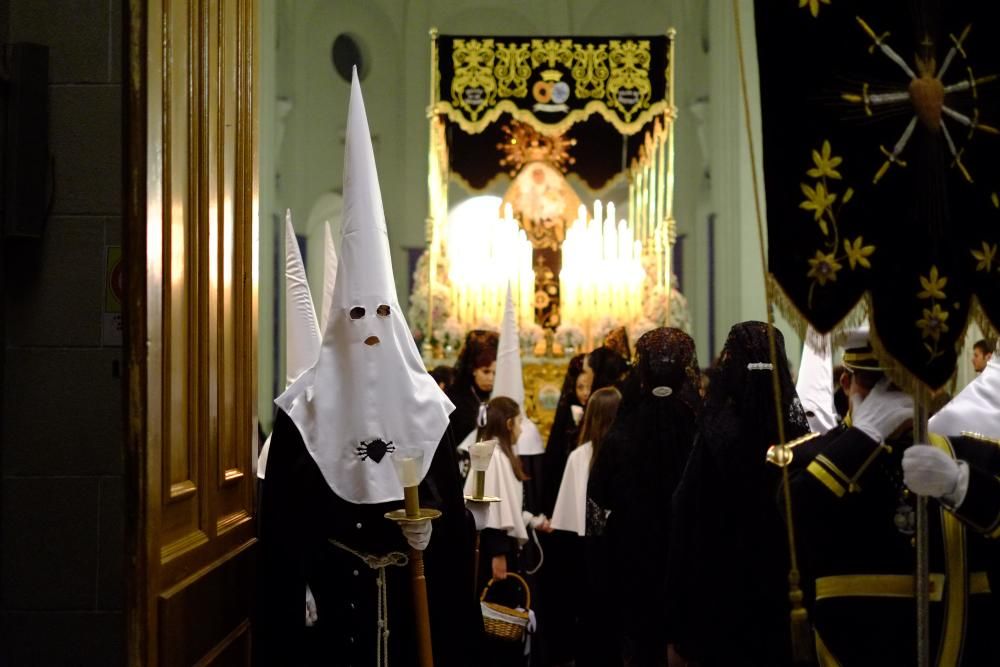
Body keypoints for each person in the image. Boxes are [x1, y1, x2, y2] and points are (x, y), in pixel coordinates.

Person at [256, 71, 478, 667]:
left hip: (413, 611)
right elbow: (280, 530)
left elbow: (453, 520)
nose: (371, 328)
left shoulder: (431, 412)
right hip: (332, 616)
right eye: (357, 314)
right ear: (336, 323)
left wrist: (433, 535)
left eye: (383, 312)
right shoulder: (302, 414)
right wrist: (302, 581)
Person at [787, 331, 1000, 664]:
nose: (888, 401)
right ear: (846, 383)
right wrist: (862, 439)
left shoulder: (969, 456)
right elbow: (784, 526)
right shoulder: (808, 458)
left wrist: (961, 485)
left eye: (902, 386)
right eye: (872, 387)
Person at [668, 321, 809, 667]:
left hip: (720, 594)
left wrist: (677, 620)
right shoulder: (796, 436)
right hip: (780, 596)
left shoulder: (715, 434)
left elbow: (685, 513)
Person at [587, 328, 700, 666]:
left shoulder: (623, 431)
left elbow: (596, 505)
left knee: (640, 645)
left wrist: (600, 561)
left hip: (632, 559)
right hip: (687, 558)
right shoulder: (701, 429)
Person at [467, 396, 554, 666]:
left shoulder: (503, 455)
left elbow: (510, 506)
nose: (520, 428)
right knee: (497, 615)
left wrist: (533, 520)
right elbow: (488, 508)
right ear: (508, 423)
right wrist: (498, 554)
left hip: (503, 547)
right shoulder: (493, 456)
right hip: (497, 551)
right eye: (518, 422)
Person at [544, 386, 620, 667]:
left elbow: (566, 517)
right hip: (616, 545)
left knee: (590, 619)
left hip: (584, 547)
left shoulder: (580, 456)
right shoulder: (627, 452)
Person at [447, 329, 499, 477]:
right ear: (474, 369)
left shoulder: (496, 393)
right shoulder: (457, 398)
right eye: (486, 371)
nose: (491, 379)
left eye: (495, 373)